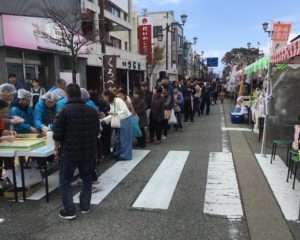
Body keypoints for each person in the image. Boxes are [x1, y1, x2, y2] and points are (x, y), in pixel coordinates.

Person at [53, 83, 99, 220]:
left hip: (69, 152)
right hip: (88, 151)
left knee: (65, 181)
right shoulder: (92, 111)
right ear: (80, 94)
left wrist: (56, 149)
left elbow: (57, 134)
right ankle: (85, 207)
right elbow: (97, 131)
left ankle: (70, 210)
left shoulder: (64, 110)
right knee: (87, 180)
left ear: (67, 95)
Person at [102, 89, 132, 160]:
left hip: (125, 119)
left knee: (124, 139)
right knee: (119, 138)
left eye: (104, 97)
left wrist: (115, 114)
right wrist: (103, 120)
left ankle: (125, 156)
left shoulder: (118, 100)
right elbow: (112, 115)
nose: (103, 98)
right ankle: (118, 153)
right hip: (120, 120)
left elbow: (124, 111)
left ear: (107, 96)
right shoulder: (112, 102)